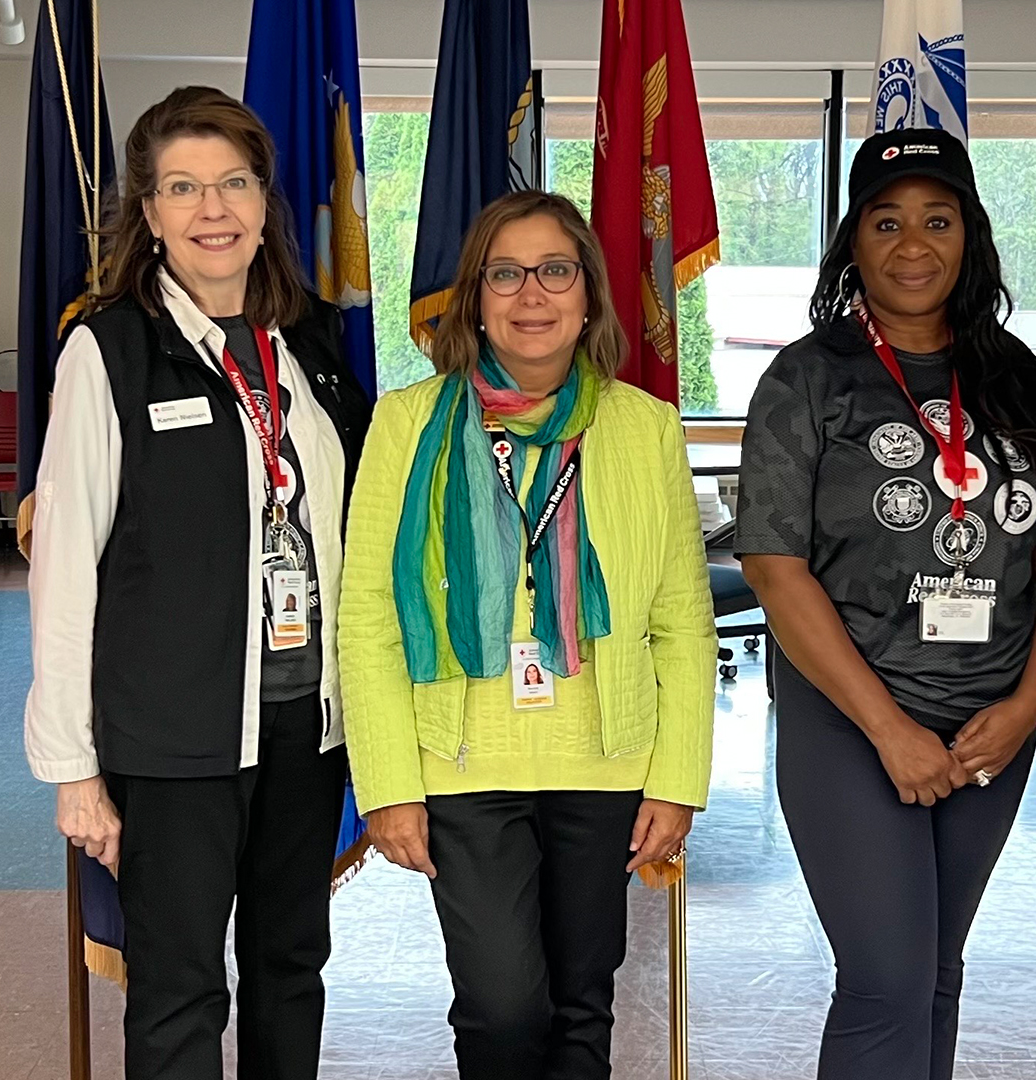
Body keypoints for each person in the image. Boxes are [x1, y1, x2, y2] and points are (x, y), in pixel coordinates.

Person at [23, 86, 370, 1080]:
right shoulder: (109, 348)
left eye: (232, 183)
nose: (212, 209)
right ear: (151, 212)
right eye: (183, 188)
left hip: (306, 730)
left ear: (265, 202)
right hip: (174, 744)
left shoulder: (312, 348)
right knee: (178, 989)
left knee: (290, 970)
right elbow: (65, 566)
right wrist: (73, 769)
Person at [339, 189, 714, 1079]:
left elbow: (681, 618)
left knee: (583, 1005)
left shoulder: (645, 426)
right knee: (502, 1008)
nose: (531, 294)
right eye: (505, 274)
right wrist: (386, 785)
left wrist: (679, 779)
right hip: (463, 760)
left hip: (610, 757)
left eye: (555, 270)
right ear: (474, 297)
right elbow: (367, 615)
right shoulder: (405, 423)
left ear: (587, 296)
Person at [734, 128, 1036, 1080]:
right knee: (885, 977)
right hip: (851, 719)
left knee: (934, 972)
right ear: (853, 242)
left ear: (970, 235)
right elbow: (773, 567)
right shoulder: (808, 378)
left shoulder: (1017, 375)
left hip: (990, 727)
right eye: (886, 222)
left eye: (938, 219)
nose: (913, 243)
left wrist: (1024, 709)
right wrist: (888, 729)